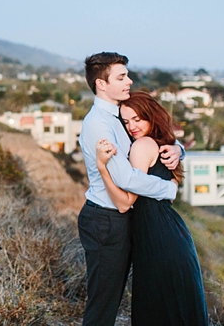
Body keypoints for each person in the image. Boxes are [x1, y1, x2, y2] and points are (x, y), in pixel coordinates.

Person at [78, 52, 183, 326]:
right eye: (121, 77)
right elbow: (126, 178)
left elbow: (152, 137)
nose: (129, 81)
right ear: (101, 84)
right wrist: (168, 189)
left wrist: (177, 149)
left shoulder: (119, 116)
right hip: (106, 220)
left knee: (113, 301)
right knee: (103, 305)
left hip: (122, 219)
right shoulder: (99, 124)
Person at [95, 91, 208, 326]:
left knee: (157, 311)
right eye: (126, 122)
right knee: (175, 310)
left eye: (137, 119)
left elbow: (126, 202)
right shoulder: (164, 145)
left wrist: (102, 168)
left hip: (158, 240)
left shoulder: (142, 146)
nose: (132, 126)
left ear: (151, 116)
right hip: (169, 236)